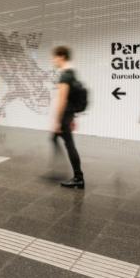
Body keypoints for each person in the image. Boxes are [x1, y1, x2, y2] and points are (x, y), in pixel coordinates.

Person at [51, 46, 85, 189]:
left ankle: (78, 177)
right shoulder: (72, 73)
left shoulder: (65, 75)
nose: (53, 60)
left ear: (62, 56)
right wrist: (73, 117)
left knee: (69, 145)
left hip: (65, 115)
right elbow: (72, 98)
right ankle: (75, 175)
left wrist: (58, 121)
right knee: (59, 140)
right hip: (69, 114)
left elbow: (62, 99)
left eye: (54, 57)